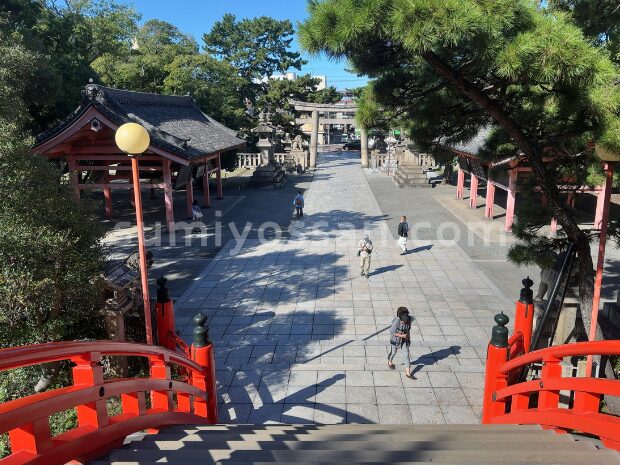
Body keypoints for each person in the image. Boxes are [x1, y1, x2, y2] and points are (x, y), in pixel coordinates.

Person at [388, 307, 413, 379]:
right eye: (403, 322)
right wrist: (401, 335)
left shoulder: (409, 320)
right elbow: (391, 332)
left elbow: (408, 330)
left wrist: (408, 338)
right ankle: (390, 361)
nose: (404, 323)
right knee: (393, 353)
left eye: (406, 322)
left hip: (404, 341)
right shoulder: (396, 322)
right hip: (395, 340)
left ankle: (408, 373)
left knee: (406, 355)